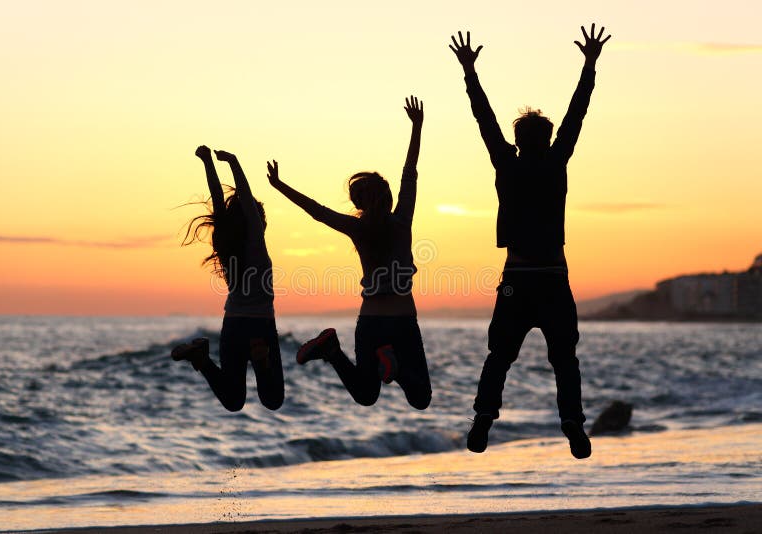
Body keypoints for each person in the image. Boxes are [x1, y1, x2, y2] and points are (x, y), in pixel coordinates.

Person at [449, 25, 611, 458]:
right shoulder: (556, 160)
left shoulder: (506, 163)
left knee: (499, 355)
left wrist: (469, 72)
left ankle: (484, 417)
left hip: (516, 276)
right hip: (554, 277)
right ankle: (572, 422)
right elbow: (578, 114)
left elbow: (483, 118)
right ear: (546, 140)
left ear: (517, 141)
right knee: (564, 359)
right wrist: (590, 64)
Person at [267, 96, 431, 410]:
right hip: (402, 319)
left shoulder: (356, 228)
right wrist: (417, 127)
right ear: (387, 197)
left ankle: (331, 351)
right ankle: (392, 368)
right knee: (420, 397)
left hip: (370, 321)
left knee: (366, 395)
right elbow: (410, 172)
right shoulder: (402, 220)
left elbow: (316, 211)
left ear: (359, 203)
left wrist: (280, 185)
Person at [171, 146, 284, 412]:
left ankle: (202, 360)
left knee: (233, 401)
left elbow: (218, 203)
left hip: (233, 325)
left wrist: (207, 162)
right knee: (273, 399)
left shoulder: (225, 244)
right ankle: (260, 361)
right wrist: (233, 163)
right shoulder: (255, 242)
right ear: (257, 220)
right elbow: (244, 199)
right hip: (261, 325)